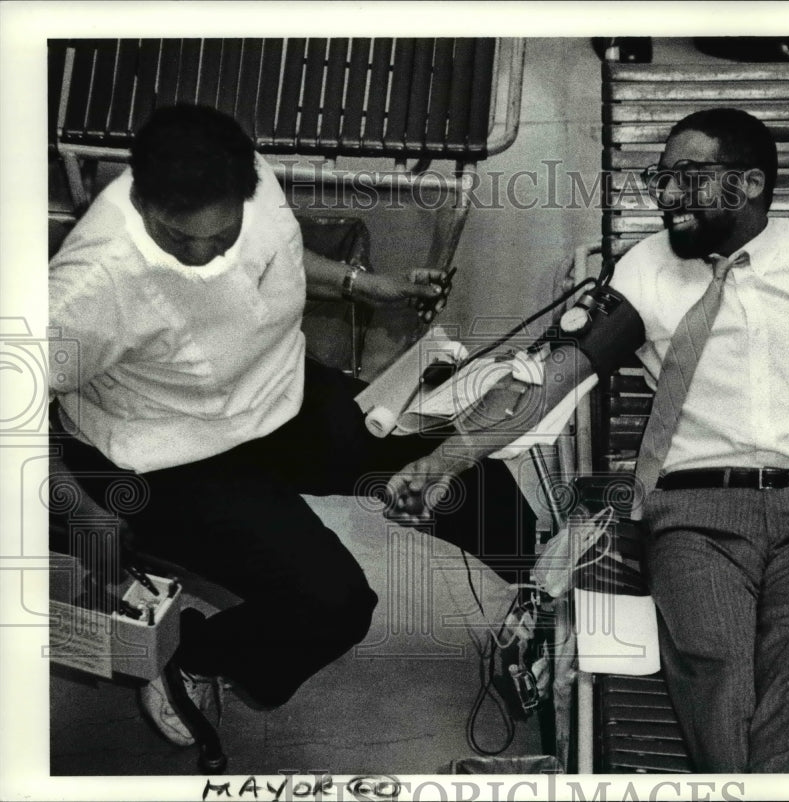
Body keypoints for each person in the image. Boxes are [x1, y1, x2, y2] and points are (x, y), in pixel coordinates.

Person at [384, 108, 789, 772]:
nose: (666, 197)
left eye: (688, 178)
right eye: (661, 179)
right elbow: (546, 381)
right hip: (692, 516)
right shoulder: (643, 272)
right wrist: (442, 460)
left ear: (747, 185)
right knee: (714, 661)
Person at [48, 104, 535, 747]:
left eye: (220, 235)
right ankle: (191, 658)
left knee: (477, 481)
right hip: (162, 457)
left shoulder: (248, 173)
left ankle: (547, 601)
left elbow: (280, 251)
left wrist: (368, 285)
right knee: (331, 605)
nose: (204, 256)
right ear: (140, 198)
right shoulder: (83, 289)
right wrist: (84, 519)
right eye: (179, 238)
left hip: (278, 392)